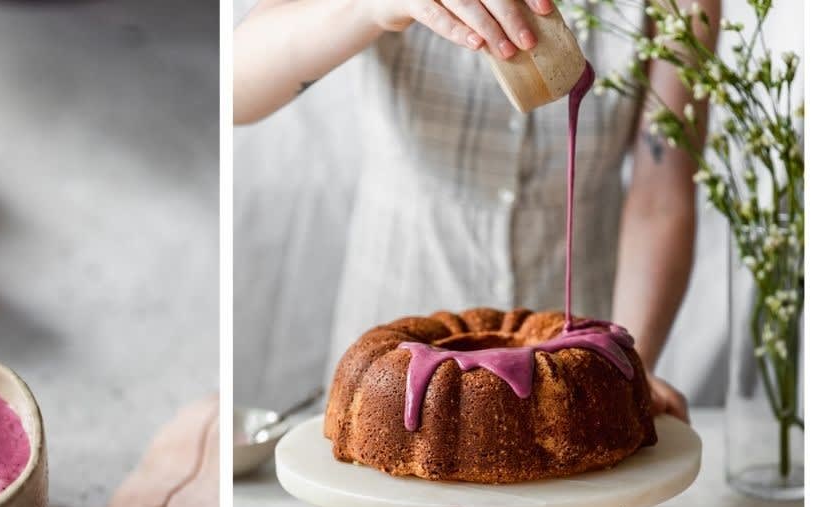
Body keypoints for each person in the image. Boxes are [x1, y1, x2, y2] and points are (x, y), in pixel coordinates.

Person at [235, 0, 720, 420]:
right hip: (391, 359)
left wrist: (631, 366)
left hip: (576, 368)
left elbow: (661, 197)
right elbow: (238, 85)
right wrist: (369, 8)